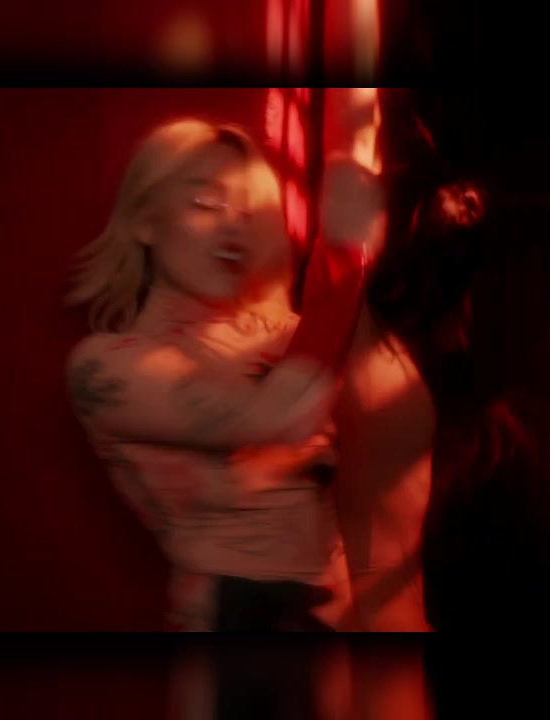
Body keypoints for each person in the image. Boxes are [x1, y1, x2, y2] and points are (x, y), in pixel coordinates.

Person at [64, 119, 385, 633]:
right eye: (206, 203)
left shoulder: (288, 335)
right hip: (232, 620)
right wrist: (345, 257)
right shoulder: (107, 365)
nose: (233, 227)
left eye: (248, 211)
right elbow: (278, 415)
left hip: (335, 619)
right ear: (145, 221)